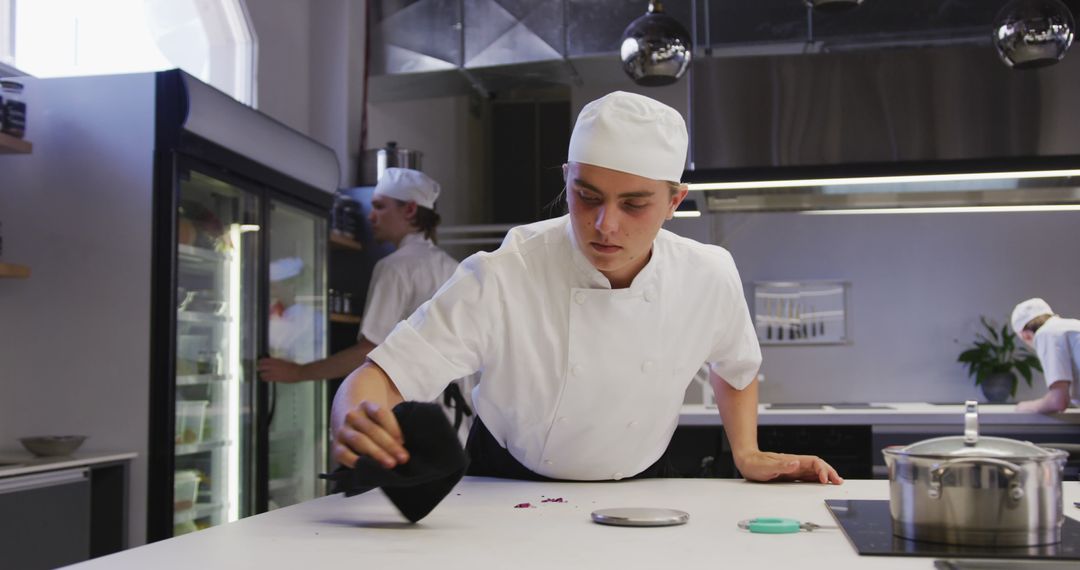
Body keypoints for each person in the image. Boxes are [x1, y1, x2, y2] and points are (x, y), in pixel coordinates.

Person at [330, 91, 842, 485]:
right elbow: (383, 374)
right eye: (586, 195)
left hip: (638, 481)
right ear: (567, 178)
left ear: (675, 201)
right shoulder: (506, 273)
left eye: (634, 204)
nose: (605, 225)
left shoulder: (708, 274)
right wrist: (353, 414)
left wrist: (746, 452)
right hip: (504, 478)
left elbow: (735, 367)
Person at [258, 169, 472, 431]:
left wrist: (297, 373)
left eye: (380, 207)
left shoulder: (395, 267)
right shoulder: (454, 267)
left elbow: (367, 353)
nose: (371, 216)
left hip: (413, 418)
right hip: (456, 421)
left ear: (410, 210)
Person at [1011, 298, 1078, 413]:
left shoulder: (1046, 333)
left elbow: (1058, 401)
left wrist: (1024, 407)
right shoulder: (1073, 326)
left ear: (1026, 335)